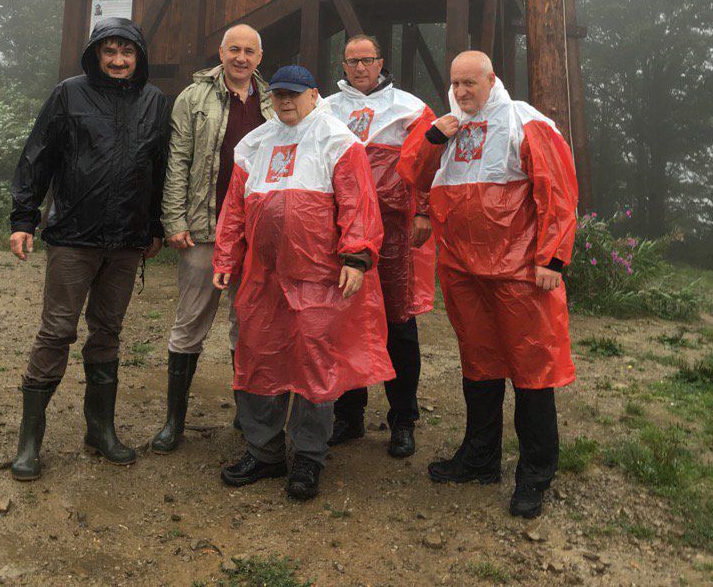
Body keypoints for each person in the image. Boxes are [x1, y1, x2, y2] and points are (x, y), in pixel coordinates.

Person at [397, 50, 578, 518]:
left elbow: (557, 190)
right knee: (478, 364)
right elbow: (413, 177)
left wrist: (552, 258)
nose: (459, 92)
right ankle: (480, 458)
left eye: (468, 84)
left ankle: (535, 474)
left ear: (490, 79)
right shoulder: (448, 126)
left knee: (532, 369)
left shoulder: (524, 120)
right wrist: (434, 137)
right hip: (462, 271)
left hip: (519, 274)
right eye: (454, 84)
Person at [213, 64, 393, 500]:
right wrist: (226, 254)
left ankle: (310, 457)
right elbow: (235, 206)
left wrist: (356, 255)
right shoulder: (253, 143)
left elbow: (358, 202)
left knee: (314, 365)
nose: (285, 102)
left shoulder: (337, 140)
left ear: (314, 95)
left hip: (320, 278)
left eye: (294, 94)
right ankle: (265, 451)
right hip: (262, 278)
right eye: (278, 95)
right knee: (259, 358)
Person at [9, 18, 170, 481]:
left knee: (108, 331)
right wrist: (24, 218)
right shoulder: (68, 94)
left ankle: (99, 430)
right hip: (74, 236)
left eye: (127, 52)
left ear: (139, 56)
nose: (119, 61)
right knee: (57, 331)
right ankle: (30, 442)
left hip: (126, 240)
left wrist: (155, 225)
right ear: (96, 54)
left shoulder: (155, 101)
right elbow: (37, 154)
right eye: (110, 51)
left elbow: (158, 167)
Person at [152, 25, 273, 453]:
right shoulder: (193, 98)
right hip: (205, 226)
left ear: (260, 57)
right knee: (190, 324)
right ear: (221, 51)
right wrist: (174, 220)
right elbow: (178, 159)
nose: (241, 58)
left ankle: (247, 413)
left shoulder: (274, 102)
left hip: (256, 233)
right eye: (234, 49)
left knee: (250, 325)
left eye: (249, 51)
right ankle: (174, 422)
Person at [321, 34, 436, 458]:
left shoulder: (409, 106)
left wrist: (423, 209)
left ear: (381, 61)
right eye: (352, 61)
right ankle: (348, 415)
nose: (359, 67)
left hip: (393, 230)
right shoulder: (325, 107)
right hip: (342, 228)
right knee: (343, 318)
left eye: (367, 59)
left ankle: (403, 418)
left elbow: (430, 159)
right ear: (344, 64)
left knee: (398, 323)